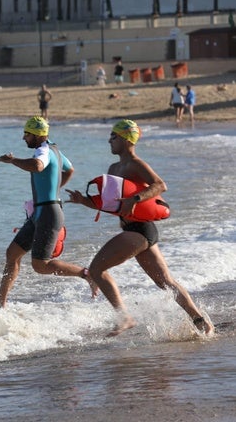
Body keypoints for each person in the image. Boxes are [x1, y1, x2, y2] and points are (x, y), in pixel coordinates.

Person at [66, 120, 214, 337]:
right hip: (137, 231)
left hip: (139, 230)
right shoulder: (114, 168)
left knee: (96, 269)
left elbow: (160, 185)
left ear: (126, 139)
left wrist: (136, 198)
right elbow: (112, 206)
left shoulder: (136, 164)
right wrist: (84, 201)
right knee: (165, 282)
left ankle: (124, 317)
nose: (110, 140)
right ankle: (200, 321)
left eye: (113, 136)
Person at [0, 117, 97, 308]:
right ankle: (0, 300)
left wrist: (12, 160)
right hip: (40, 212)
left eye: (27, 134)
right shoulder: (55, 150)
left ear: (38, 134)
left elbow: (38, 166)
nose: (24, 138)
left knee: (41, 265)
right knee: (12, 253)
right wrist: (55, 187)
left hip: (49, 213)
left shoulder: (42, 150)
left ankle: (87, 274)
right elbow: (70, 169)